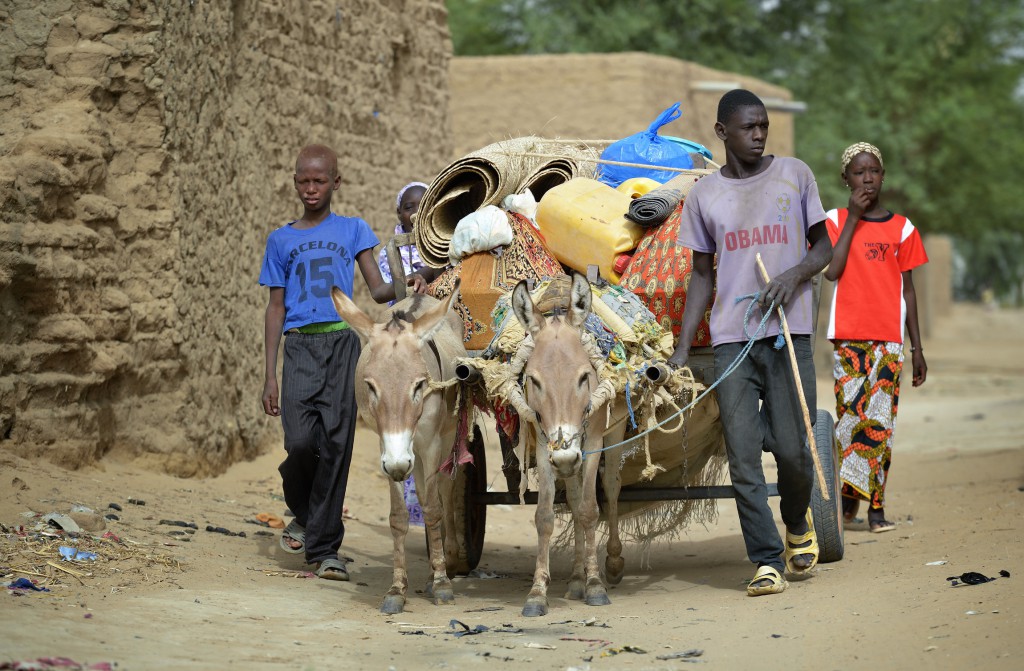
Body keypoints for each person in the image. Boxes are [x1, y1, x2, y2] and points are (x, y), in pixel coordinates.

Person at [667, 89, 833, 596]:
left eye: (763, 125)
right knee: (742, 455)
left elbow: (823, 245)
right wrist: (679, 348)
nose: (759, 134)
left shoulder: (795, 175)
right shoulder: (704, 195)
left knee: (793, 450)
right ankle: (765, 560)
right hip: (731, 339)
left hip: (788, 332)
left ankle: (798, 520)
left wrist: (792, 275)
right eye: (748, 127)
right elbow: (700, 274)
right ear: (722, 132)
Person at [259, 144, 427, 580]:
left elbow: (376, 290)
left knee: (335, 445)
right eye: (303, 181)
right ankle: (306, 511)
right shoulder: (280, 240)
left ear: (336, 183)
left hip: (343, 347)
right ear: (294, 182)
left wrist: (409, 283)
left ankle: (325, 550)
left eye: (319, 181)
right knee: (299, 443)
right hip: (298, 347)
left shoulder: (353, 230)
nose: (310, 189)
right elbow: (275, 308)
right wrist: (268, 375)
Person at [824, 142, 928, 533]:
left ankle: (877, 510)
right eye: (858, 172)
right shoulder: (833, 220)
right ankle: (848, 497)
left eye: (873, 171)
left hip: (889, 340)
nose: (867, 178)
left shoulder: (903, 228)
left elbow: (909, 291)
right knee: (850, 424)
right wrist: (853, 217)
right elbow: (832, 272)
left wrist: (917, 348)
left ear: (883, 176)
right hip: (848, 338)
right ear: (846, 179)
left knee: (881, 425)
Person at [377, 181, 440, 293]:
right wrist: (443, 262)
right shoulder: (389, 254)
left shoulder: (445, 244)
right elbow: (407, 284)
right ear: (399, 213)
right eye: (409, 207)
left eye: (424, 206)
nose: (416, 213)